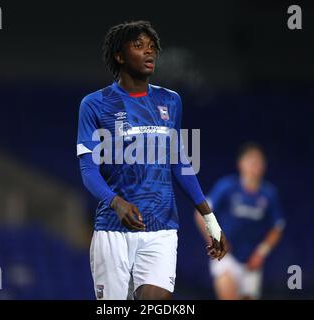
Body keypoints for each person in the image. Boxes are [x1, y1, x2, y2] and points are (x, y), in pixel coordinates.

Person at [76, 21, 227, 300]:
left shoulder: (170, 101)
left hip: (162, 227)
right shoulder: (95, 104)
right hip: (113, 229)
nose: (149, 52)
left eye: (152, 47)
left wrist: (211, 222)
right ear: (119, 56)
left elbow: (180, 162)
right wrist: (115, 201)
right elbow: (88, 170)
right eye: (139, 46)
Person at [195, 142, 285, 299]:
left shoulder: (269, 194)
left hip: (251, 261)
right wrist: (216, 239)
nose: (254, 166)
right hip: (226, 256)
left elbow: (277, 227)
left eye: (258, 162)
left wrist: (261, 252)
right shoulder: (227, 187)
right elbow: (201, 214)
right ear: (240, 164)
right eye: (250, 161)